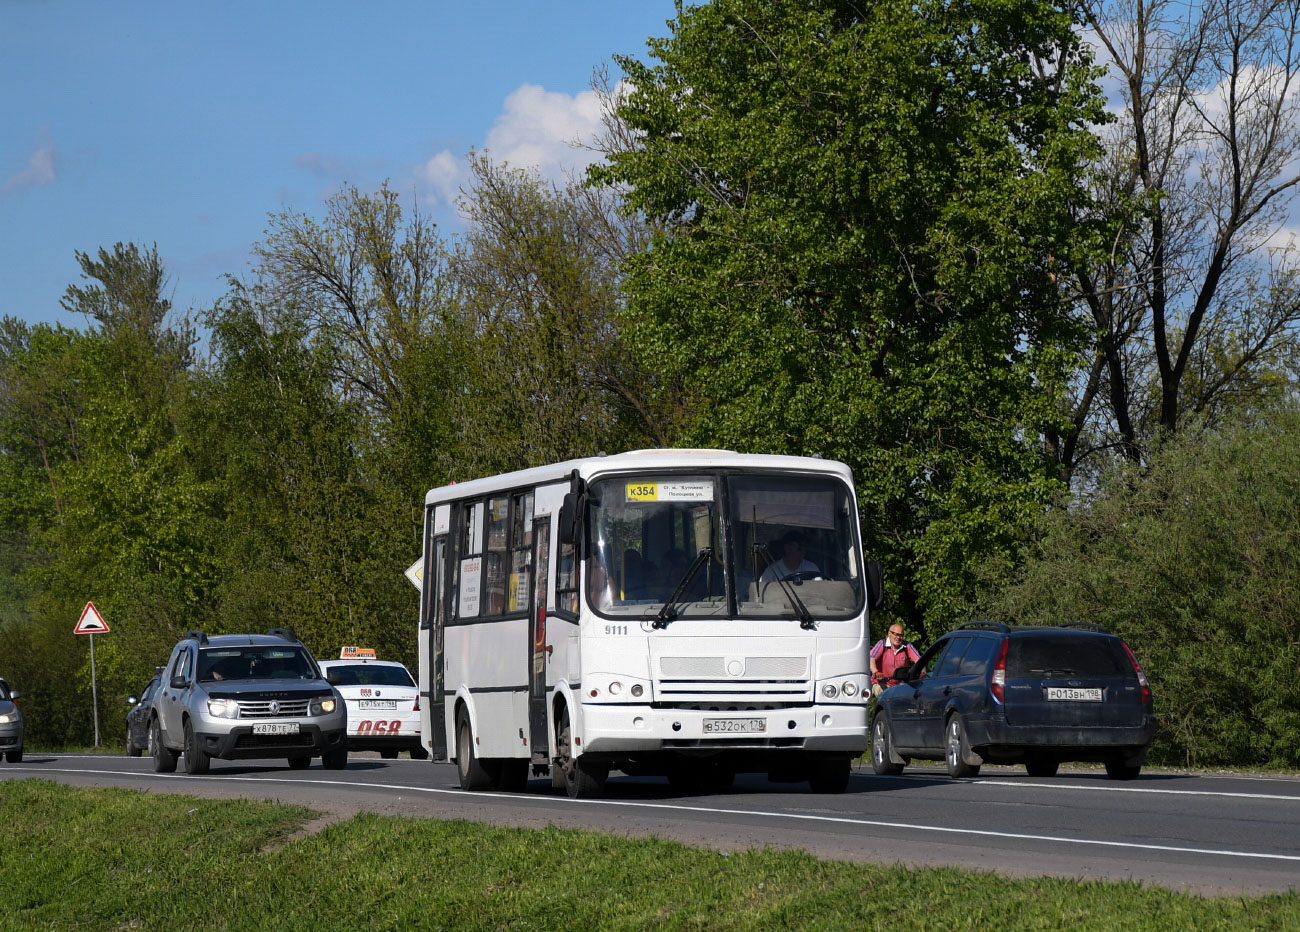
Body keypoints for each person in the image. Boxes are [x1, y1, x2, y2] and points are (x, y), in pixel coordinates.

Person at [870, 625, 920, 696]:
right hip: (881, 683)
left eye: (901, 635)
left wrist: (922, 672)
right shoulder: (882, 644)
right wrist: (875, 671)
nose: (898, 637)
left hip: (900, 684)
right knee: (887, 697)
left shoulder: (907, 646)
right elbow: (871, 658)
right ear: (889, 634)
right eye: (895, 634)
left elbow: (919, 660)